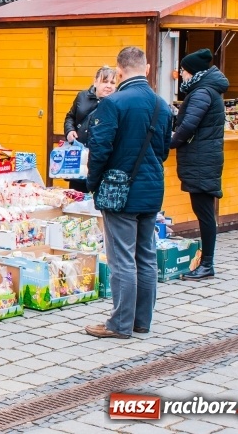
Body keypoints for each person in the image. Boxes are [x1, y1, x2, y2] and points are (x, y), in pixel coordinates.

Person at [85, 46, 172, 339]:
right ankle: (141, 321)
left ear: (120, 71)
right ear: (146, 68)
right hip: (152, 189)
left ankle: (120, 325)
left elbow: (100, 149)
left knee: (122, 257)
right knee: (146, 255)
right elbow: (163, 151)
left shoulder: (113, 103)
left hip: (120, 191)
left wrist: (93, 182)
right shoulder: (162, 105)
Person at [171, 48, 229, 281]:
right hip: (203, 160)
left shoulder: (202, 92)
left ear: (191, 72)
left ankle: (207, 264)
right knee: (204, 212)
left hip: (202, 161)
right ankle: (206, 262)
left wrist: (170, 142)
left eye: (183, 72)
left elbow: (187, 127)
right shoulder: (205, 90)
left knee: (204, 213)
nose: (181, 76)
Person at [63, 66, 117, 192]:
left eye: (112, 83)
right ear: (95, 82)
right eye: (105, 81)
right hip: (79, 157)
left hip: (101, 160)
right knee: (77, 197)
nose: (109, 86)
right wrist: (69, 130)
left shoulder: (116, 102)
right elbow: (70, 117)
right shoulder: (82, 96)